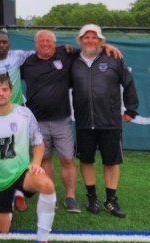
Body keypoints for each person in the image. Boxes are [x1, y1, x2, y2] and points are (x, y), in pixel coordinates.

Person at [19, 30, 121, 214]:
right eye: (41, 42)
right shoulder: (27, 62)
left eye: (49, 42)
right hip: (36, 122)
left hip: (62, 120)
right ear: (35, 44)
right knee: (45, 159)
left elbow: (89, 49)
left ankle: (71, 197)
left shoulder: (65, 54)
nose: (45, 44)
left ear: (55, 43)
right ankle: (52, 195)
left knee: (67, 159)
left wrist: (105, 46)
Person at [0, 74, 60, 243]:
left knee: (47, 185)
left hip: (22, 171)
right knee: (3, 229)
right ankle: (11, 199)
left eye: (5, 89)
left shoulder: (24, 114)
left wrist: (35, 163)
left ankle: (42, 241)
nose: (1, 93)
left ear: (11, 92)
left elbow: (38, 144)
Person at [70, 24, 138, 218]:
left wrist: (131, 109)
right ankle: (92, 198)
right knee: (86, 159)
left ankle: (111, 199)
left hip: (109, 121)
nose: (90, 41)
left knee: (111, 161)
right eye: (86, 37)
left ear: (101, 41)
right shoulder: (73, 60)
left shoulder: (113, 58)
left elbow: (129, 83)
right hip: (83, 121)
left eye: (94, 38)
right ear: (80, 40)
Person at [0, 29, 34, 211]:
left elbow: (45, 51)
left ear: (9, 44)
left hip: (18, 111)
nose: (1, 45)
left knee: (21, 151)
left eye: (5, 42)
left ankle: (19, 193)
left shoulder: (18, 56)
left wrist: (65, 48)